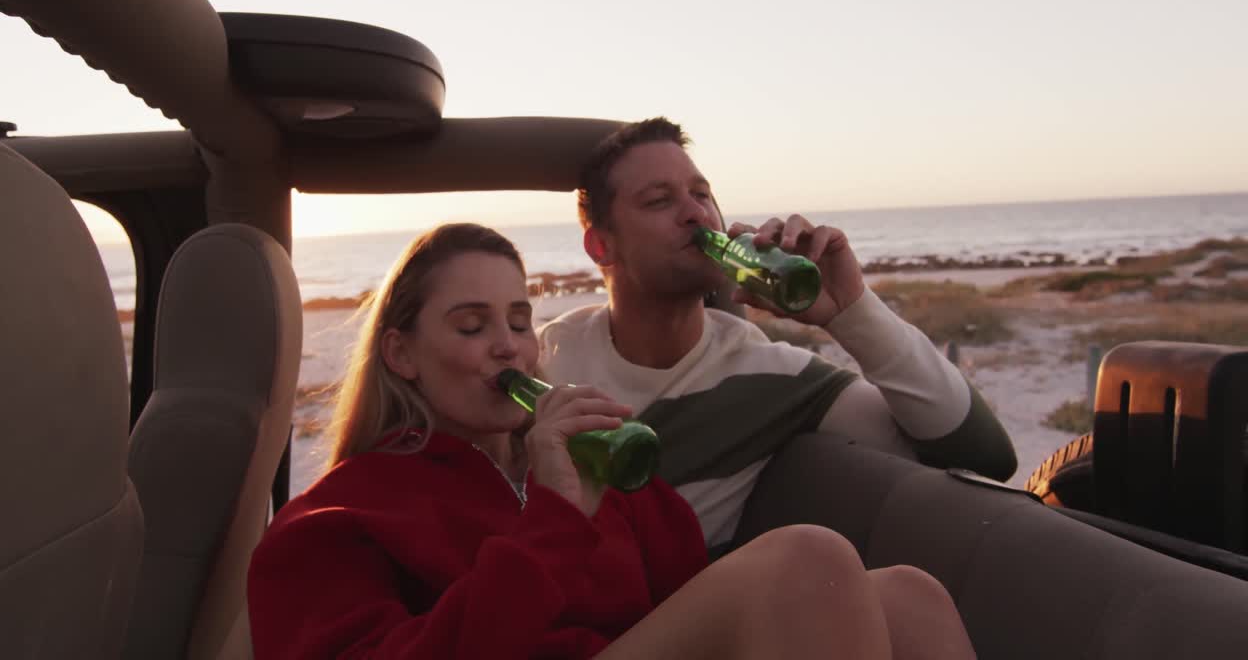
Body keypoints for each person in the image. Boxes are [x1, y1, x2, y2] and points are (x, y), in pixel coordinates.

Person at [246, 222, 976, 659]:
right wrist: (555, 522)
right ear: (401, 354)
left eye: (520, 322)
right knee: (805, 557)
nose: (508, 346)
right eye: (471, 326)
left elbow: (688, 605)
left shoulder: (581, 463)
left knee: (909, 598)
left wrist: (627, 490)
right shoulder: (337, 519)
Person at [538, 118, 1017, 553]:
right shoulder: (544, 359)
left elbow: (983, 456)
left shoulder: (772, 376)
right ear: (600, 245)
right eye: (659, 200)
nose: (696, 214)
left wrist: (852, 310)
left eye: (701, 195)